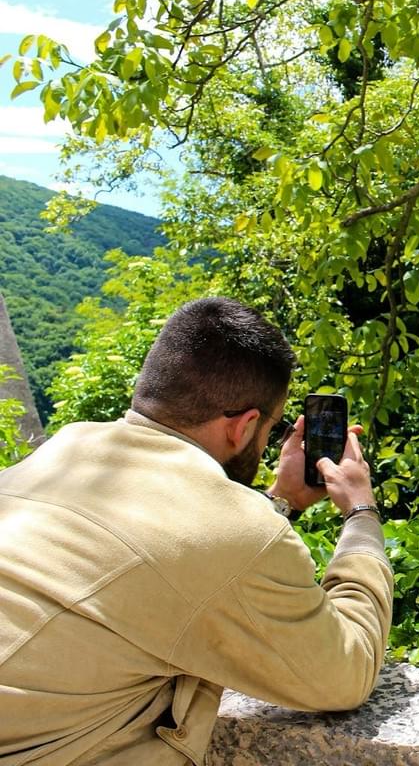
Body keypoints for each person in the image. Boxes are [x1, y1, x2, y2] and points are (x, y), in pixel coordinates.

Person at [0, 297, 393, 764]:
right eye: (270, 428)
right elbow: (347, 670)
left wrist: (281, 500)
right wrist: (361, 511)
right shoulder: (237, 534)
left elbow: (172, 558)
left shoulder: (59, 452)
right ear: (244, 426)